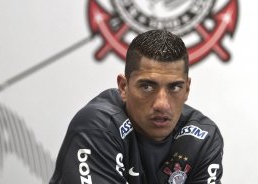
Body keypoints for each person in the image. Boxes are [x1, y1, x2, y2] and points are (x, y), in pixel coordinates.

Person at [49, 29, 223, 184]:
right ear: (124, 87)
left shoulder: (202, 138)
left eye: (174, 87)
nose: (162, 104)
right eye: (147, 87)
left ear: (187, 89)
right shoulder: (99, 126)